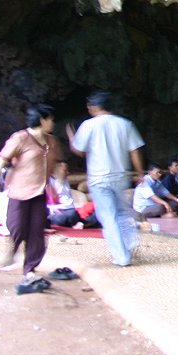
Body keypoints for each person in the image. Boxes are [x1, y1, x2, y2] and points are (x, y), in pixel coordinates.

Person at [0, 104, 61, 293]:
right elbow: (1, 160)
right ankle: (13, 250)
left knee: (36, 232)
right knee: (17, 226)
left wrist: (54, 186)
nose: (53, 123)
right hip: (18, 191)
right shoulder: (20, 138)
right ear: (42, 120)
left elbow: (51, 166)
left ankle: (30, 268)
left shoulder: (52, 141)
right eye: (51, 119)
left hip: (39, 193)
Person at [67, 91, 146, 268]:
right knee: (123, 213)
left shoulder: (89, 125)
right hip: (121, 177)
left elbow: (79, 150)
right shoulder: (125, 124)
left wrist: (72, 137)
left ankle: (122, 257)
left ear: (95, 107)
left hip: (99, 179)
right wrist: (140, 173)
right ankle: (131, 244)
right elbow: (135, 151)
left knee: (108, 217)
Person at [47, 159, 99, 228]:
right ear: (53, 172)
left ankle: (80, 224)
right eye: (64, 170)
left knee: (97, 213)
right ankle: (80, 224)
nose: (68, 173)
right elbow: (54, 199)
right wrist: (59, 181)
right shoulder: (48, 182)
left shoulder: (64, 180)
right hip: (57, 213)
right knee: (70, 214)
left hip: (73, 211)